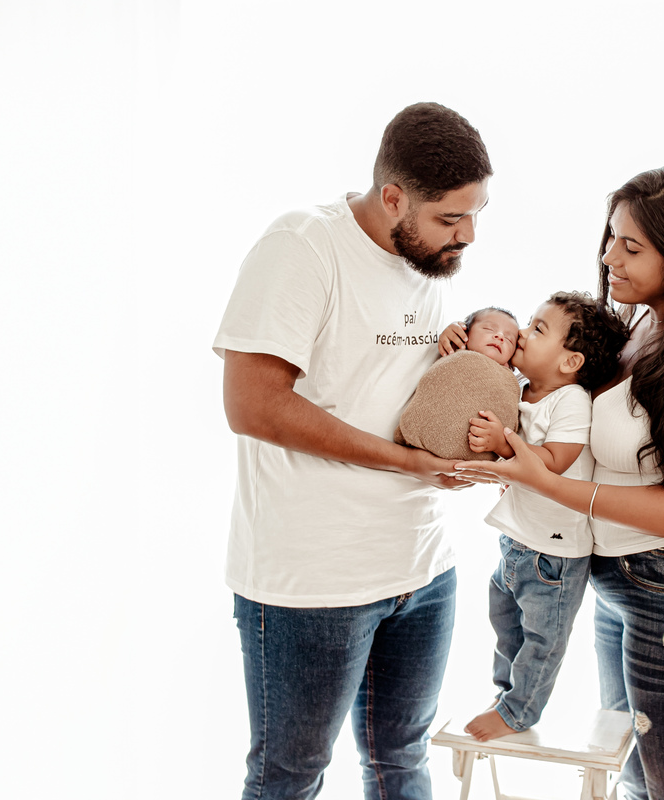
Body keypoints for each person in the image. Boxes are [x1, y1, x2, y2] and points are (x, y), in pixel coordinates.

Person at [455, 166, 664, 800]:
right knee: (633, 777)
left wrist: (545, 483)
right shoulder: (641, 320)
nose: (608, 258)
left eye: (631, 247)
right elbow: (561, 399)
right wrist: (472, 346)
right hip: (630, 577)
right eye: (611, 237)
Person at [213, 102, 491, 800]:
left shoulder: (423, 261)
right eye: (449, 219)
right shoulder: (303, 246)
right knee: (290, 777)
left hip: (422, 568)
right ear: (393, 197)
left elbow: (384, 383)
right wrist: (408, 465)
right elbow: (252, 404)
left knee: (402, 761)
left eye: (476, 214)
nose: (467, 236)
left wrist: (454, 353)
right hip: (315, 581)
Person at [455, 292, 627, 742]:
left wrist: (504, 439)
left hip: (554, 555)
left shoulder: (569, 400)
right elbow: (474, 362)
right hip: (517, 540)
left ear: (570, 362)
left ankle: (518, 712)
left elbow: (555, 459)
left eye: (537, 329)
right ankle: (505, 693)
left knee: (542, 642)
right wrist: (451, 336)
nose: (522, 336)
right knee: (505, 622)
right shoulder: (519, 386)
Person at [394, 307, 522, 461]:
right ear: (465, 334)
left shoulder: (508, 380)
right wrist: (449, 335)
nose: (500, 336)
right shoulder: (454, 352)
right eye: (489, 328)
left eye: (509, 339)